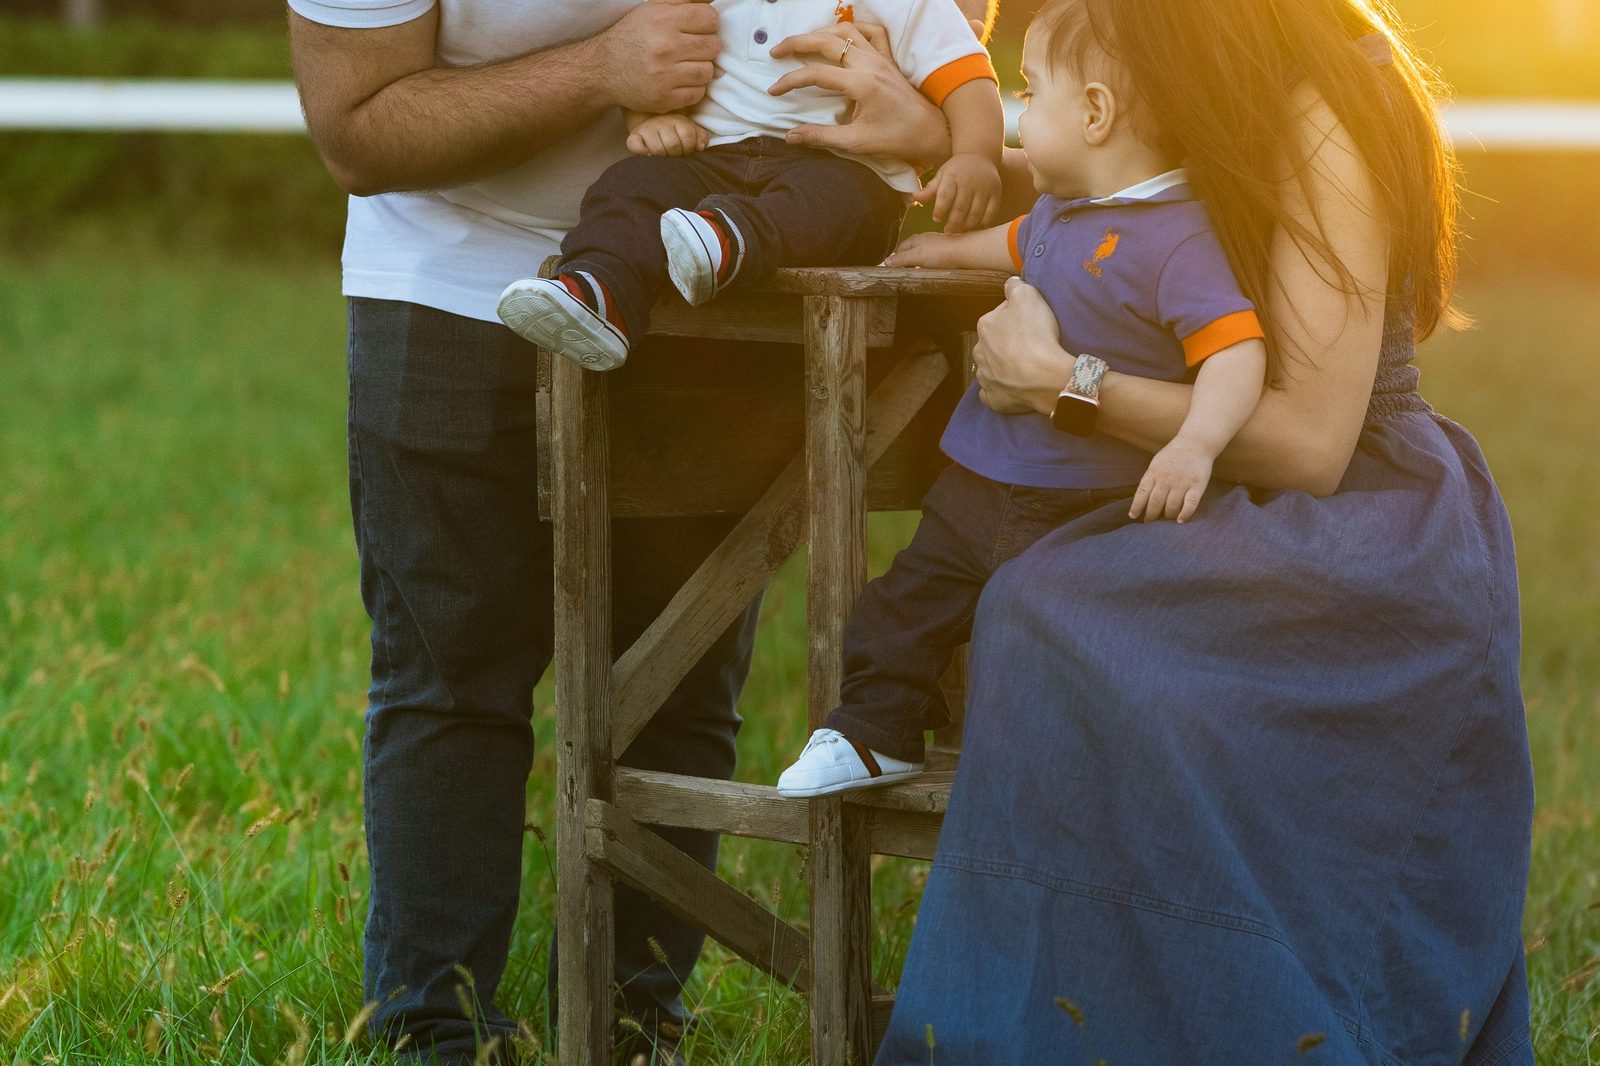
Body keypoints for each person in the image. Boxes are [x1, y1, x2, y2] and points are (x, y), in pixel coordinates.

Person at [284, 0, 993, 1062]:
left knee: (682, 680)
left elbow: (946, 27)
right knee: (451, 675)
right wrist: (602, 70)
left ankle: (630, 1026)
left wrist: (931, 124)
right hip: (447, 283)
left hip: (728, 284)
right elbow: (354, 128)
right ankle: (435, 1028)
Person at [866, 0, 1536, 1060]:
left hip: (1360, 524)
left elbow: (1313, 441)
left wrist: (1060, 384)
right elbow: (1056, 167)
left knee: (1057, 614)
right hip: (1217, 492)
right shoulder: (1167, 65)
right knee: (1045, 605)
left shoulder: (1327, 99)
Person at [775, 2, 1270, 798]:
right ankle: (874, 732)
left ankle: (1073, 775)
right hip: (978, 481)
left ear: (1097, 113)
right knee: (902, 607)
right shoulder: (1058, 210)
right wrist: (939, 251)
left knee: (1055, 646)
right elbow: (1008, 245)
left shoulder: (1179, 239)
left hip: (1084, 507)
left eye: (1032, 95)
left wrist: (1195, 443)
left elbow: (1236, 350)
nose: (1018, 114)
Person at [495, 0, 1004, 373]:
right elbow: (657, 60)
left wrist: (976, 157)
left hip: (843, 164)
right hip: (710, 158)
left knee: (838, 207)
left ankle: (727, 240)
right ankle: (598, 292)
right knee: (631, 181)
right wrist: (650, 118)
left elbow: (966, 78)